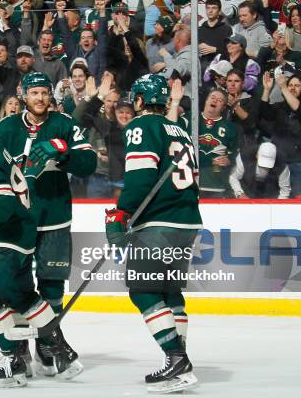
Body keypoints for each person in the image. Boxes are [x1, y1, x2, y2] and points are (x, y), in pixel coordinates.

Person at [0, 96, 78, 388]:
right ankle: (62, 350)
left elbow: (0, 204)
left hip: (5, 237)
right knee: (24, 297)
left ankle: (12, 360)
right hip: (18, 235)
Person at [0, 72, 96, 378]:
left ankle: (47, 343)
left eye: (44, 93)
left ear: (51, 95)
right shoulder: (6, 128)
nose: (40, 98)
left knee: (52, 284)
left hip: (54, 217)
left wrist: (62, 152)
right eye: (34, 93)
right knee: (17, 286)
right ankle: (21, 348)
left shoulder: (64, 124)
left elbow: (88, 164)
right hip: (17, 220)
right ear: (24, 95)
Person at [105, 73, 201, 393]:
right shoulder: (180, 129)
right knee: (169, 291)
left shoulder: (140, 126)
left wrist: (122, 213)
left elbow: (141, 178)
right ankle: (180, 358)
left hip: (160, 221)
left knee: (143, 289)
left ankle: (175, 358)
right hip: (186, 219)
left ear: (141, 101)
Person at [260, 71, 301, 196]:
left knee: (298, 198)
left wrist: (284, 87)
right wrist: (266, 90)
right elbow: (265, 113)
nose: (292, 88)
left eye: (297, 85)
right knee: (274, 198)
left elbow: (298, 109)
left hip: (299, 161)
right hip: (278, 161)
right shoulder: (281, 106)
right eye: (290, 85)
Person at [191, 89, 239, 198]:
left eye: (220, 100)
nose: (215, 100)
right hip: (189, 182)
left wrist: (229, 160)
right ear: (206, 101)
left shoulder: (230, 128)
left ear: (223, 107)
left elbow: (235, 153)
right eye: (212, 97)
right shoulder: (190, 118)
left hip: (215, 185)